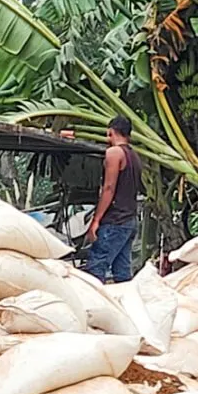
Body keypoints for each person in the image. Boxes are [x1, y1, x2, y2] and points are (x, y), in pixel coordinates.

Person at [80, 116, 143, 284]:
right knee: (122, 272)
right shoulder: (134, 156)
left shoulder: (114, 153)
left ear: (110, 131)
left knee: (96, 267)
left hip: (115, 221)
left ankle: (92, 306)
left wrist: (96, 220)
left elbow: (109, 189)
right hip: (129, 220)